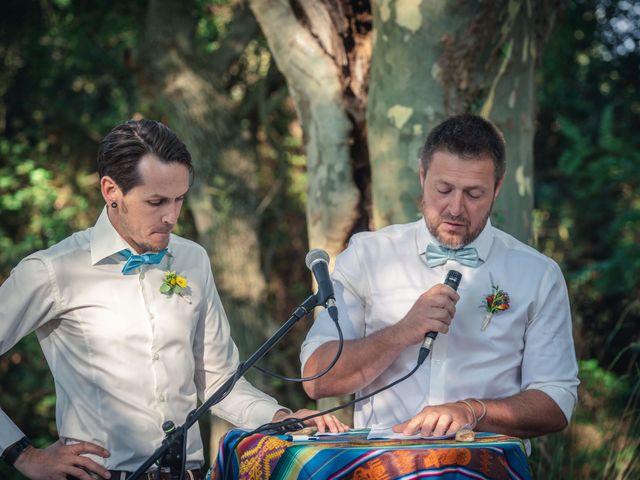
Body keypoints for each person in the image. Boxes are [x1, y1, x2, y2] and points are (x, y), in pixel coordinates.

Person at [0, 119, 347, 480]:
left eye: (180, 198)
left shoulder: (193, 259)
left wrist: (279, 418)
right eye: (156, 201)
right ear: (110, 190)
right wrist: (24, 455)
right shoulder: (53, 270)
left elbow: (217, 381)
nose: (172, 216)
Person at [301, 114, 579, 442]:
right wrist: (402, 332)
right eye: (443, 189)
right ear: (422, 175)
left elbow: (557, 401)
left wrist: (472, 411)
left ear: (497, 188)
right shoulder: (368, 256)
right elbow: (317, 379)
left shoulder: (537, 274)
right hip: (384, 464)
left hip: (484, 467)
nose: (456, 208)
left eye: (474, 194)